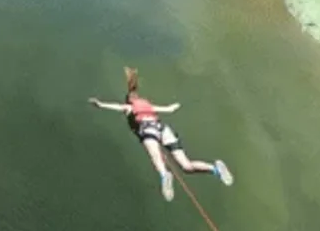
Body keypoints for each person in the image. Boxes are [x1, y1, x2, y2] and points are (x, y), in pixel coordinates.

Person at [87, 67, 233, 202]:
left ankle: (165, 176)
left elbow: (117, 107)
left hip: (148, 129)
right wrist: (177, 104)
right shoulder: (150, 106)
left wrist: (100, 104)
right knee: (187, 166)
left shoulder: (129, 108)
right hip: (163, 129)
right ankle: (215, 169)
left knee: (156, 157)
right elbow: (169, 109)